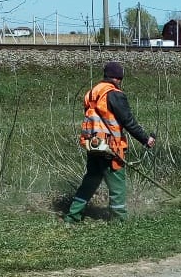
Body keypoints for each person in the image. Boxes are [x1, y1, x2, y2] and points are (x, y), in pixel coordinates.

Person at [64, 61, 155, 223]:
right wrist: (145, 139)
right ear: (119, 78)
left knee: (91, 180)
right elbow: (128, 121)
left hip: (93, 144)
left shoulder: (93, 93)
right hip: (111, 148)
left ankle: (72, 215)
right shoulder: (114, 94)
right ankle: (119, 221)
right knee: (117, 185)